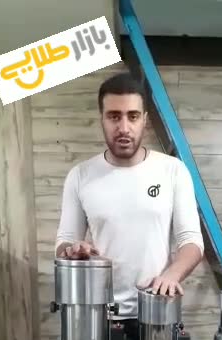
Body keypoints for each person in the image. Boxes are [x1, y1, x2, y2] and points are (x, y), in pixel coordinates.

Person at [54, 72, 204, 322]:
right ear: (102, 119)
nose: (123, 128)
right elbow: (64, 242)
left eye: (132, 116)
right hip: (98, 315)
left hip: (156, 311)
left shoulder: (173, 170)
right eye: (114, 116)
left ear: (144, 119)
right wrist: (71, 251)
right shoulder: (80, 176)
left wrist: (172, 274)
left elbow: (192, 241)